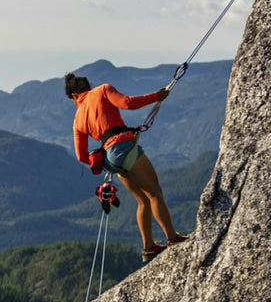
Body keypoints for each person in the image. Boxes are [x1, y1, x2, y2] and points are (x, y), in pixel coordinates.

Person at [66, 72, 189, 262]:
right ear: (86, 87)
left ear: (74, 96)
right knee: (155, 193)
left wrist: (102, 159)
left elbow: (81, 156)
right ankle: (172, 238)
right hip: (124, 147)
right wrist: (157, 96)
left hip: (111, 160)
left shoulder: (77, 119)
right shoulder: (103, 90)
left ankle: (149, 248)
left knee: (143, 200)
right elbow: (128, 103)